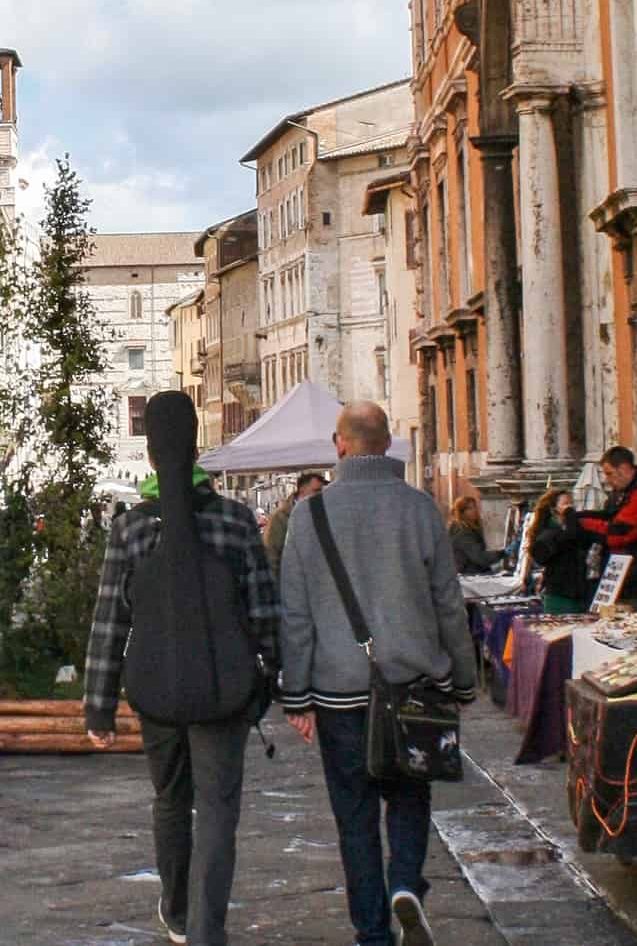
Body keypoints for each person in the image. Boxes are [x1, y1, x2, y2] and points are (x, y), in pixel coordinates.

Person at [84, 391, 279, 946]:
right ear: (197, 450)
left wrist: (98, 705)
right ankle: (204, 928)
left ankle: (174, 908)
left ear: (149, 456)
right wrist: (272, 682)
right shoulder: (237, 523)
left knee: (171, 801)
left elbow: (109, 623)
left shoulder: (131, 529)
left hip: (156, 692)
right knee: (217, 810)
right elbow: (265, 614)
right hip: (225, 692)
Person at [280, 402, 476, 946]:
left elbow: (295, 617)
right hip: (415, 685)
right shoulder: (420, 509)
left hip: (339, 693)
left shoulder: (307, 515)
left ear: (338, 445)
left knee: (354, 817)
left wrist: (296, 697)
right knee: (411, 795)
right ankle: (406, 881)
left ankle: (373, 933)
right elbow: (447, 605)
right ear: (388, 445)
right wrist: (463, 680)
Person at [574, 446, 637, 609]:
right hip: (622, 576)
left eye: (609, 473)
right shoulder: (622, 493)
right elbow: (608, 516)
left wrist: (582, 523)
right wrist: (581, 516)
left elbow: (621, 533)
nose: (607, 480)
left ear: (624, 468)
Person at [528, 489, 594, 614]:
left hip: (579, 594)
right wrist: (569, 514)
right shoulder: (549, 533)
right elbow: (570, 538)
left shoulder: (570, 528)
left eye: (571, 503)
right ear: (554, 509)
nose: (570, 507)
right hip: (560, 595)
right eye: (566, 503)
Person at [266, 472, 326, 581]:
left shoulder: (322, 513)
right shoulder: (279, 517)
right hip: (288, 584)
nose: (321, 495)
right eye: (316, 491)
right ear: (302, 490)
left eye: (323, 491)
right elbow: (270, 555)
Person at [446, 495, 499, 576]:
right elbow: (479, 557)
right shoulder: (461, 531)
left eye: (475, 507)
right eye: (469, 508)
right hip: (467, 574)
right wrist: (502, 553)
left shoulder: (472, 527)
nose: (474, 511)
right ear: (461, 513)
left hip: (474, 572)